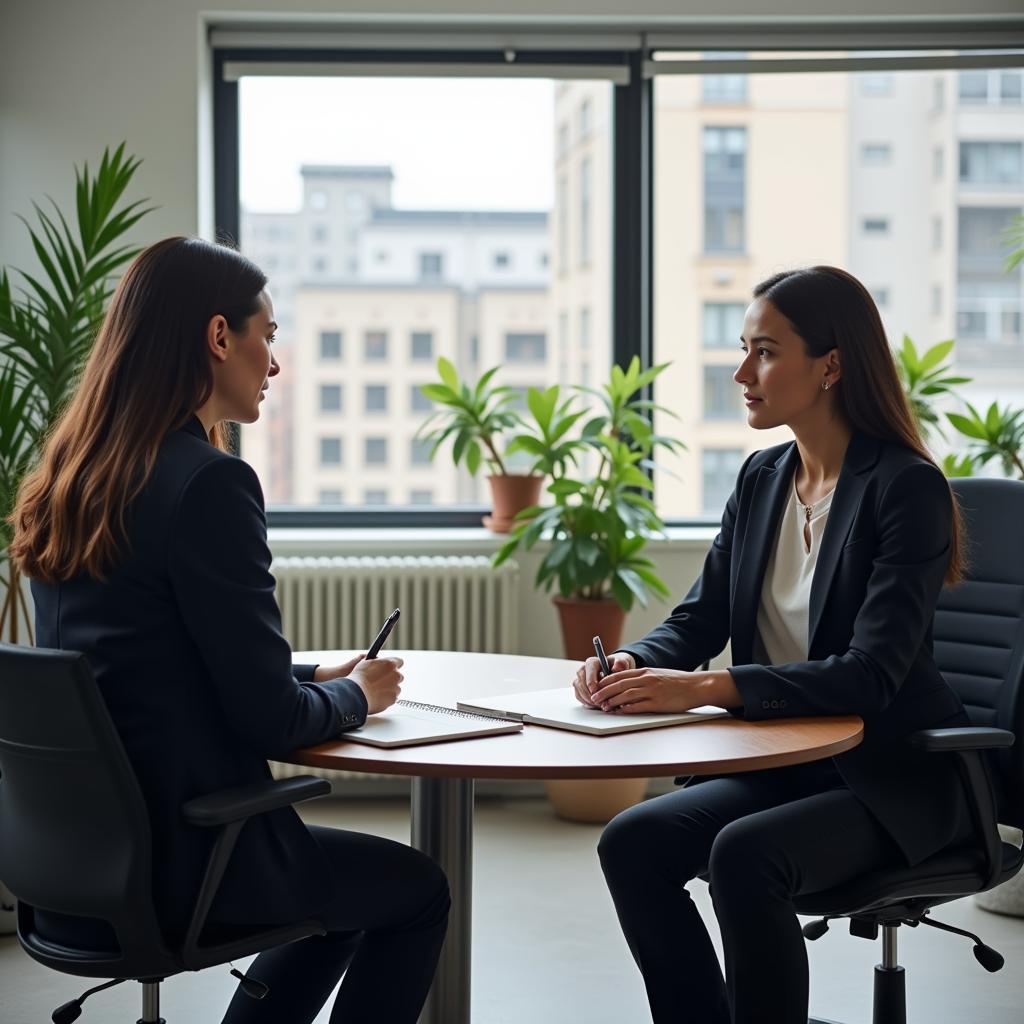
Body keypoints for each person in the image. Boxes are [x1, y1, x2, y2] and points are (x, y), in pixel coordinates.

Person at [9, 236, 449, 1024]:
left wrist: (315, 676)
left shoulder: (72, 477)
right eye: (268, 336)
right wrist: (355, 696)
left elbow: (147, 661)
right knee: (417, 892)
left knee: (337, 897)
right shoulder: (209, 483)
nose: (274, 363)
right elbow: (267, 722)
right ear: (220, 337)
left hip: (75, 864)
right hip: (187, 860)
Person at [573, 266, 973, 1024]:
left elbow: (871, 674)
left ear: (831, 364)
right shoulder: (762, 478)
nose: (741, 372)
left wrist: (712, 689)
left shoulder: (905, 487)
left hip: (887, 776)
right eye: (744, 350)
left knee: (744, 856)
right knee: (633, 842)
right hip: (783, 760)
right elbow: (700, 618)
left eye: (764, 351)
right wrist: (631, 661)